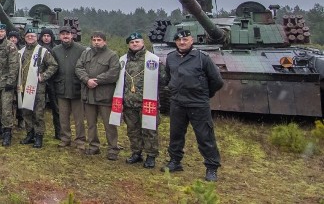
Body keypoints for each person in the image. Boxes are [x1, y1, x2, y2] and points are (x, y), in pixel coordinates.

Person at [162, 29, 224, 182]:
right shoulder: (171, 58)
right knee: (175, 135)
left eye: (185, 40)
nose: (182, 42)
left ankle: (211, 167)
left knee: (205, 136)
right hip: (177, 102)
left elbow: (217, 81)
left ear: (192, 41)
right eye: (179, 40)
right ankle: (175, 161)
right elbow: (168, 77)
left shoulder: (202, 58)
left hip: (198, 103)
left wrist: (204, 94)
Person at [109, 32, 162, 169]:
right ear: (129, 44)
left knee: (149, 130)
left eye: (137, 42)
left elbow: (163, 80)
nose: (134, 44)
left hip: (146, 103)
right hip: (129, 102)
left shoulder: (153, 60)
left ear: (143, 43)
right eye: (132, 42)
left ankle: (151, 155)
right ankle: (136, 152)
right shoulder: (123, 60)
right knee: (133, 130)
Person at [75, 31, 121, 160]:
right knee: (91, 123)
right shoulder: (86, 53)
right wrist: (86, 80)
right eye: (94, 40)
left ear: (105, 41)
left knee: (109, 124)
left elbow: (113, 73)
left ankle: (113, 149)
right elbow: (78, 68)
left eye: (99, 40)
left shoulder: (112, 55)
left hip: (104, 95)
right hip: (89, 95)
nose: (96, 42)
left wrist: (96, 80)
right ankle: (94, 146)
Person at [17, 30, 58, 148]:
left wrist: (44, 76)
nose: (30, 37)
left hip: (38, 88)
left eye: (33, 36)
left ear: (36, 37)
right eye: (28, 36)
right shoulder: (21, 51)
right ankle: (30, 134)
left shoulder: (42, 51)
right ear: (24, 38)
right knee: (26, 112)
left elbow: (53, 65)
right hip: (23, 87)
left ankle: (39, 136)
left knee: (38, 113)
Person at [52, 27, 86, 148]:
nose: (65, 36)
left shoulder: (81, 49)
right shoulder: (55, 50)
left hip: (76, 88)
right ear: (59, 36)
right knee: (63, 117)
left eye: (68, 34)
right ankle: (65, 139)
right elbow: (53, 67)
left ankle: (80, 141)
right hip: (61, 87)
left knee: (79, 118)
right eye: (63, 34)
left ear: (72, 35)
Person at [0, 23, 19, 146]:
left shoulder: (10, 46)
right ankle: (3, 130)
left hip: (6, 83)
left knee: (7, 109)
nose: (0, 33)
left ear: (5, 33)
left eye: (2, 31)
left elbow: (14, 65)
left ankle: (7, 133)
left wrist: (11, 82)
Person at [39, 28, 62, 140]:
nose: (46, 37)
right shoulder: (37, 48)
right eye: (44, 35)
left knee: (56, 108)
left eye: (48, 35)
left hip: (53, 81)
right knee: (38, 108)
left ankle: (59, 132)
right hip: (39, 82)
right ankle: (38, 132)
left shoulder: (56, 49)